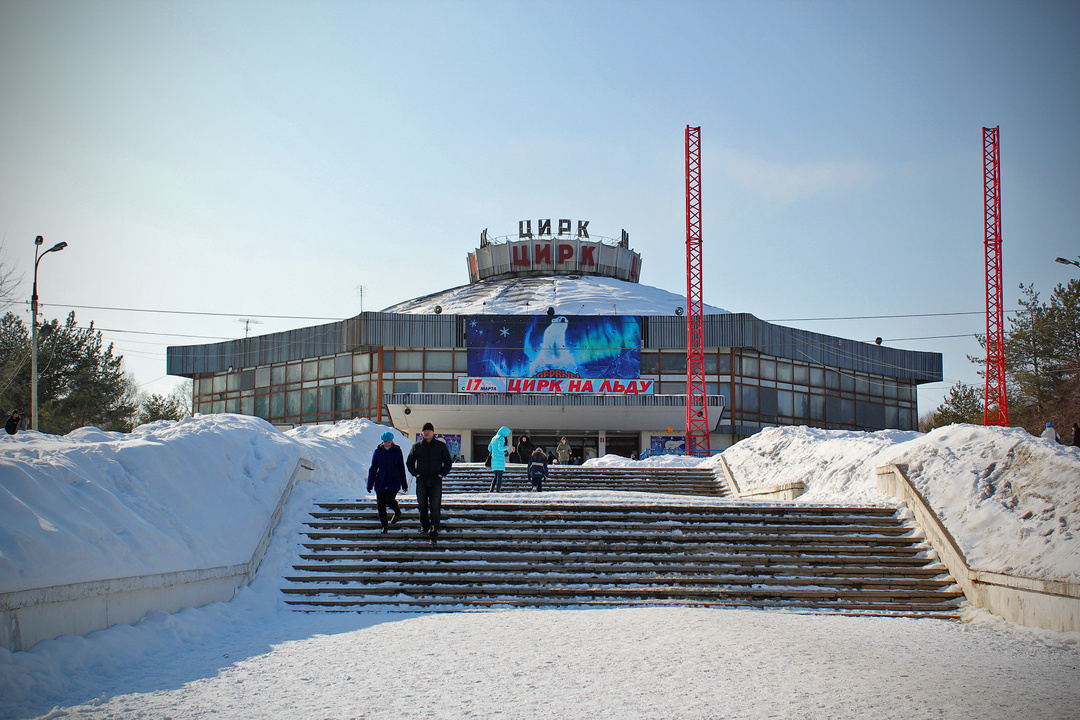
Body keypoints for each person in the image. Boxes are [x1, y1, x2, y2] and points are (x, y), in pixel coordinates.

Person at [406, 422, 453, 546]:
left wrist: (442, 474)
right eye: (424, 430)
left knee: (435, 506)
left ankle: (434, 530)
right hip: (421, 480)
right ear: (422, 433)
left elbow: (448, 462)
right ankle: (424, 525)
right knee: (422, 504)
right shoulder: (417, 446)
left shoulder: (440, 446)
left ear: (433, 432)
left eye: (429, 430)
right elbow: (409, 462)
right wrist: (415, 473)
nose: (426, 432)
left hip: (435, 480)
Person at [367, 431, 408, 533]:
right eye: (385, 442)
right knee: (381, 504)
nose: (387, 444)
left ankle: (397, 512)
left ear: (392, 441)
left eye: (389, 442)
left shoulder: (397, 451)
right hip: (381, 480)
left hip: (393, 479)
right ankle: (384, 526)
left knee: (389, 500)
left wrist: (404, 483)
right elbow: (373, 468)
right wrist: (370, 484)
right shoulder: (378, 451)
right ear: (382, 442)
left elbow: (401, 467)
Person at [487, 426, 512, 492]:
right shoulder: (501, 438)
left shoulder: (494, 438)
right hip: (500, 459)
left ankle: (491, 489)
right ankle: (498, 490)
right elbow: (500, 448)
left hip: (494, 459)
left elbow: (489, 448)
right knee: (500, 476)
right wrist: (507, 447)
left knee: (496, 476)